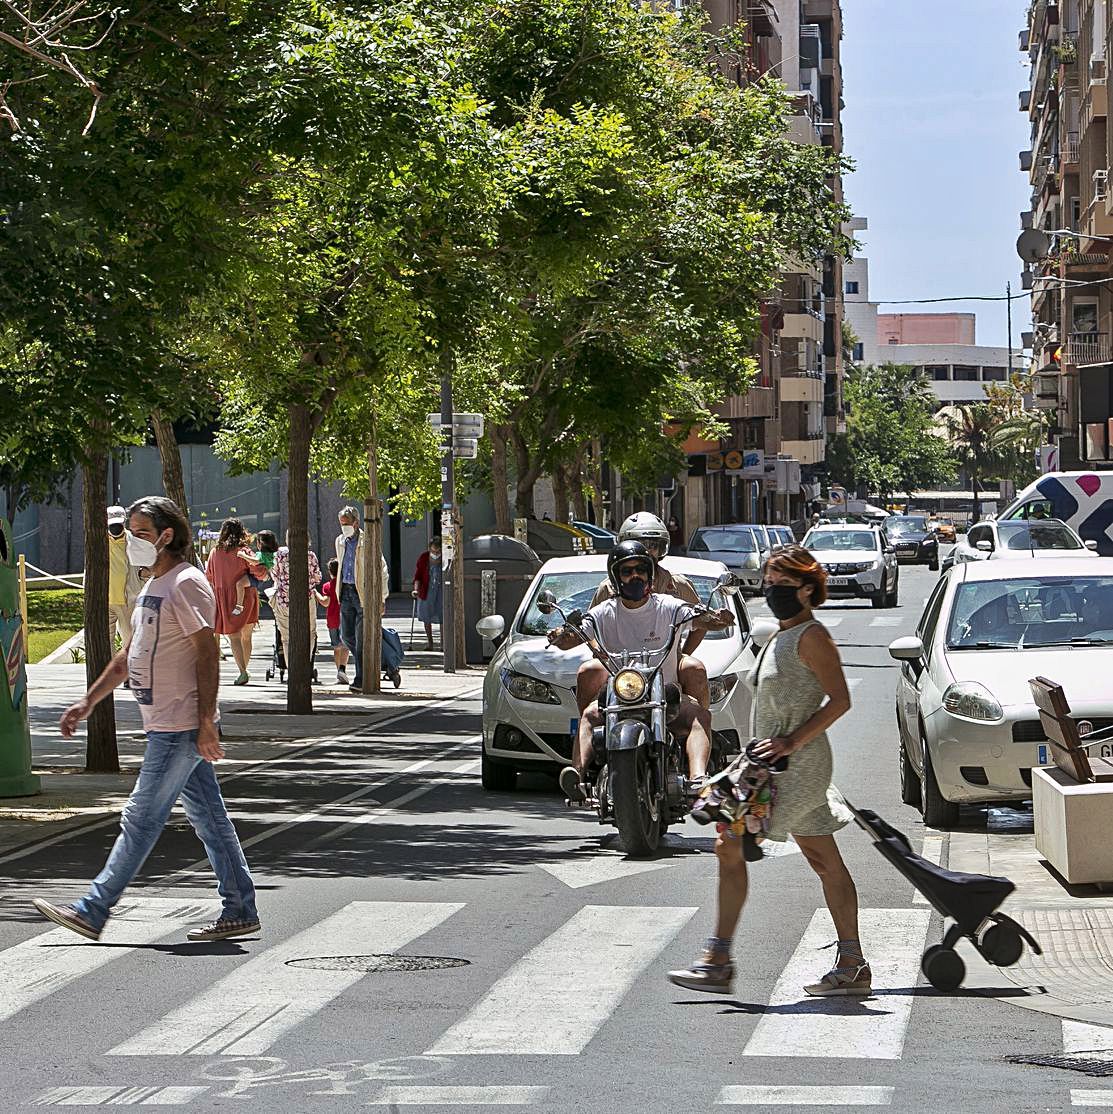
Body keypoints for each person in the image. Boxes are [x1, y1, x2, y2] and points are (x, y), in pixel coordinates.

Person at [32, 496, 259, 943]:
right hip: (166, 722)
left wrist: (207, 720)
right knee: (210, 819)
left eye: (139, 533)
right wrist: (88, 701)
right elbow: (127, 654)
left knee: (141, 817)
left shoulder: (187, 582)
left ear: (166, 536)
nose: (130, 541)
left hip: (180, 724)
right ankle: (240, 908)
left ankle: (92, 910)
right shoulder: (152, 587)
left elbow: (207, 650)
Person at [667, 544, 868, 998]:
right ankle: (853, 963)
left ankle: (718, 959)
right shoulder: (778, 635)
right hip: (769, 766)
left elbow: (841, 700)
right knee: (823, 860)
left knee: (729, 841)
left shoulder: (812, 637)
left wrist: (790, 742)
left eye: (784, 584)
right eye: (770, 581)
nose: (773, 589)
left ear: (808, 589)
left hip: (796, 765)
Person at [549, 541, 733, 804]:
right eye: (627, 571)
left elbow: (701, 619)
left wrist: (717, 617)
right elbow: (571, 638)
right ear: (616, 577)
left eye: (640, 570)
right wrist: (560, 635)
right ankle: (577, 777)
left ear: (649, 574)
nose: (635, 576)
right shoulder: (602, 613)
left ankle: (698, 780)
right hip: (620, 694)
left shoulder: (669, 606)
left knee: (699, 716)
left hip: (666, 692)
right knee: (589, 715)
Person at [590, 512, 730, 709]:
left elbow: (700, 622)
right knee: (588, 681)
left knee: (695, 671)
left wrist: (680, 654)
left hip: (665, 660)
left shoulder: (678, 585)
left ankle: (701, 729)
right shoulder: (608, 588)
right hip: (619, 665)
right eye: (640, 544)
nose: (647, 551)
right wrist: (598, 650)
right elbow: (589, 626)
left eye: (653, 545)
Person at [333, 506, 393, 691]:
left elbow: (381, 570)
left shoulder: (367, 541)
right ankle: (373, 664)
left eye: (347, 524)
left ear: (356, 523)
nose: (344, 528)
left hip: (362, 594)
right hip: (345, 592)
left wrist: (381, 597)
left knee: (360, 639)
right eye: (341, 524)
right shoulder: (340, 541)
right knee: (346, 636)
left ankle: (361, 678)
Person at [205, 519, 259, 686]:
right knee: (247, 636)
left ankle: (242, 671)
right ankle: (243, 669)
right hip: (247, 595)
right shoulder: (244, 551)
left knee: (234, 636)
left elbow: (209, 576)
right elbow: (257, 570)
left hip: (226, 598)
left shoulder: (215, 552)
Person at [271, 534, 323, 673]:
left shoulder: (279, 554)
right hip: (307, 598)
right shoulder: (311, 556)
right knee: (310, 633)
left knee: (286, 638)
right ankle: (305, 666)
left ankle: (292, 671)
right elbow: (317, 578)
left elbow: (274, 574)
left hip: (284, 599)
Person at [107, 505, 143, 646]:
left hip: (128, 600)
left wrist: (141, 582)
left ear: (124, 522)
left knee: (130, 643)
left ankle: (129, 668)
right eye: (112, 524)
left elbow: (147, 566)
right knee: (105, 643)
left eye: (118, 524)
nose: (115, 528)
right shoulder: (98, 542)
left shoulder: (134, 542)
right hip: (106, 600)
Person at [315, 558, 349, 685]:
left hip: (333, 620)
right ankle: (342, 669)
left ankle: (338, 672)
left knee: (336, 647)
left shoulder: (328, 586)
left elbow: (325, 602)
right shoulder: (345, 585)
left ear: (330, 572)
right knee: (345, 645)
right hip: (345, 618)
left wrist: (315, 593)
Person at [232, 530, 279, 617]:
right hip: (260, 578)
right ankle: (239, 606)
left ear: (261, 544)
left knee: (239, 584)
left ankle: (239, 606)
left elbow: (255, 562)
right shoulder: (274, 554)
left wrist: (243, 555)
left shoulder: (263, 555)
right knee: (240, 584)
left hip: (261, 576)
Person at [412, 538, 443, 650]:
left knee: (443, 616)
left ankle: (443, 644)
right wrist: (416, 590)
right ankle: (430, 643)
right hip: (427, 590)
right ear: (430, 548)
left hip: (441, 590)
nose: (435, 553)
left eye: (438, 551)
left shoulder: (445, 558)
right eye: (433, 551)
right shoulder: (424, 558)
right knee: (426, 616)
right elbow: (418, 576)